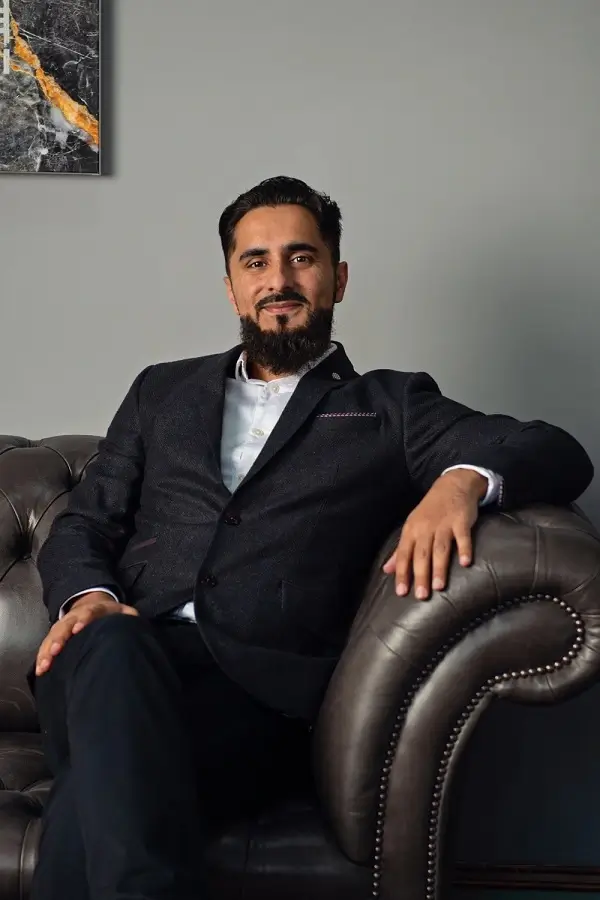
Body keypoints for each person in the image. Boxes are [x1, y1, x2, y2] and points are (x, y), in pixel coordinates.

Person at [30, 176, 594, 900]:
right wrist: (91, 597)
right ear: (232, 287)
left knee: (108, 775)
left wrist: (460, 482)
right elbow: (85, 521)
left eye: (301, 258)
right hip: (110, 659)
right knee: (112, 647)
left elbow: (555, 449)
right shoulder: (159, 392)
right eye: (255, 262)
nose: (279, 280)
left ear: (338, 277)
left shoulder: (388, 405)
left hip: (251, 702)